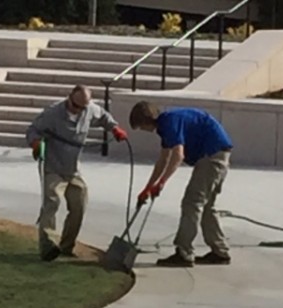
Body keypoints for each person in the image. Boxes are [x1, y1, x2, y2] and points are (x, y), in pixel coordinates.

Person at [26, 85, 129, 262]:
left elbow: (103, 116)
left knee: (80, 204)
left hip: (73, 169)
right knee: (52, 203)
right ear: (69, 99)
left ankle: (67, 246)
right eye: (76, 106)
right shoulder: (52, 113)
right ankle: (48, 245)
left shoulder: (89, 109)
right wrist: (35, 143)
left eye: (83, 107)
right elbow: (32, 130)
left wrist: (114, 128)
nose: (80, 110)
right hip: (54, 167)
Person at [129, 101, 233, 267]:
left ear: (146, 121)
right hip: (218, 153)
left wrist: (162, 183)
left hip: (212, 155)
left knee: (192, 203)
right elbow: (163, 160)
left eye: (141, 127)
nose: (143, 130)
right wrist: (147, 189)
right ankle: (220, 251)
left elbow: (178, 156)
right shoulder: (167, 123)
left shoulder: (170, 123)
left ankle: (184, 253)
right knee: (207, 205)